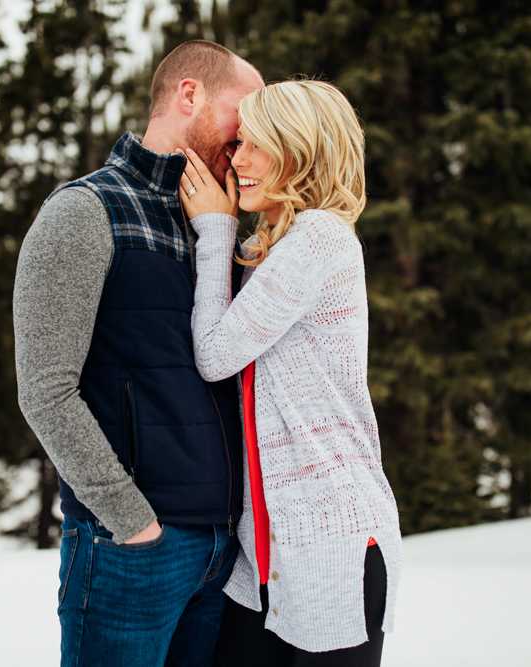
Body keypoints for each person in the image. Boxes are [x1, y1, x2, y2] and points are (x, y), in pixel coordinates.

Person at [13, 40, 264, 667]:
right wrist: (132, 523)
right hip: (132, 551)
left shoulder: (219, 225)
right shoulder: (84, 211)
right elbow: (45, 389)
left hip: (220, 556)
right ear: (189, 94)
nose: (252, 131)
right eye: (245, 109)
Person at [177, 80, 403, 666]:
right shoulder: (271, 247)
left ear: (301, 152)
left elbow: (215, 354)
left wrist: (216, 230)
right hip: (265, 553)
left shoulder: (320, 238)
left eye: (257, 146)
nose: (238, 159)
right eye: (240, 142)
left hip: (333, 542)